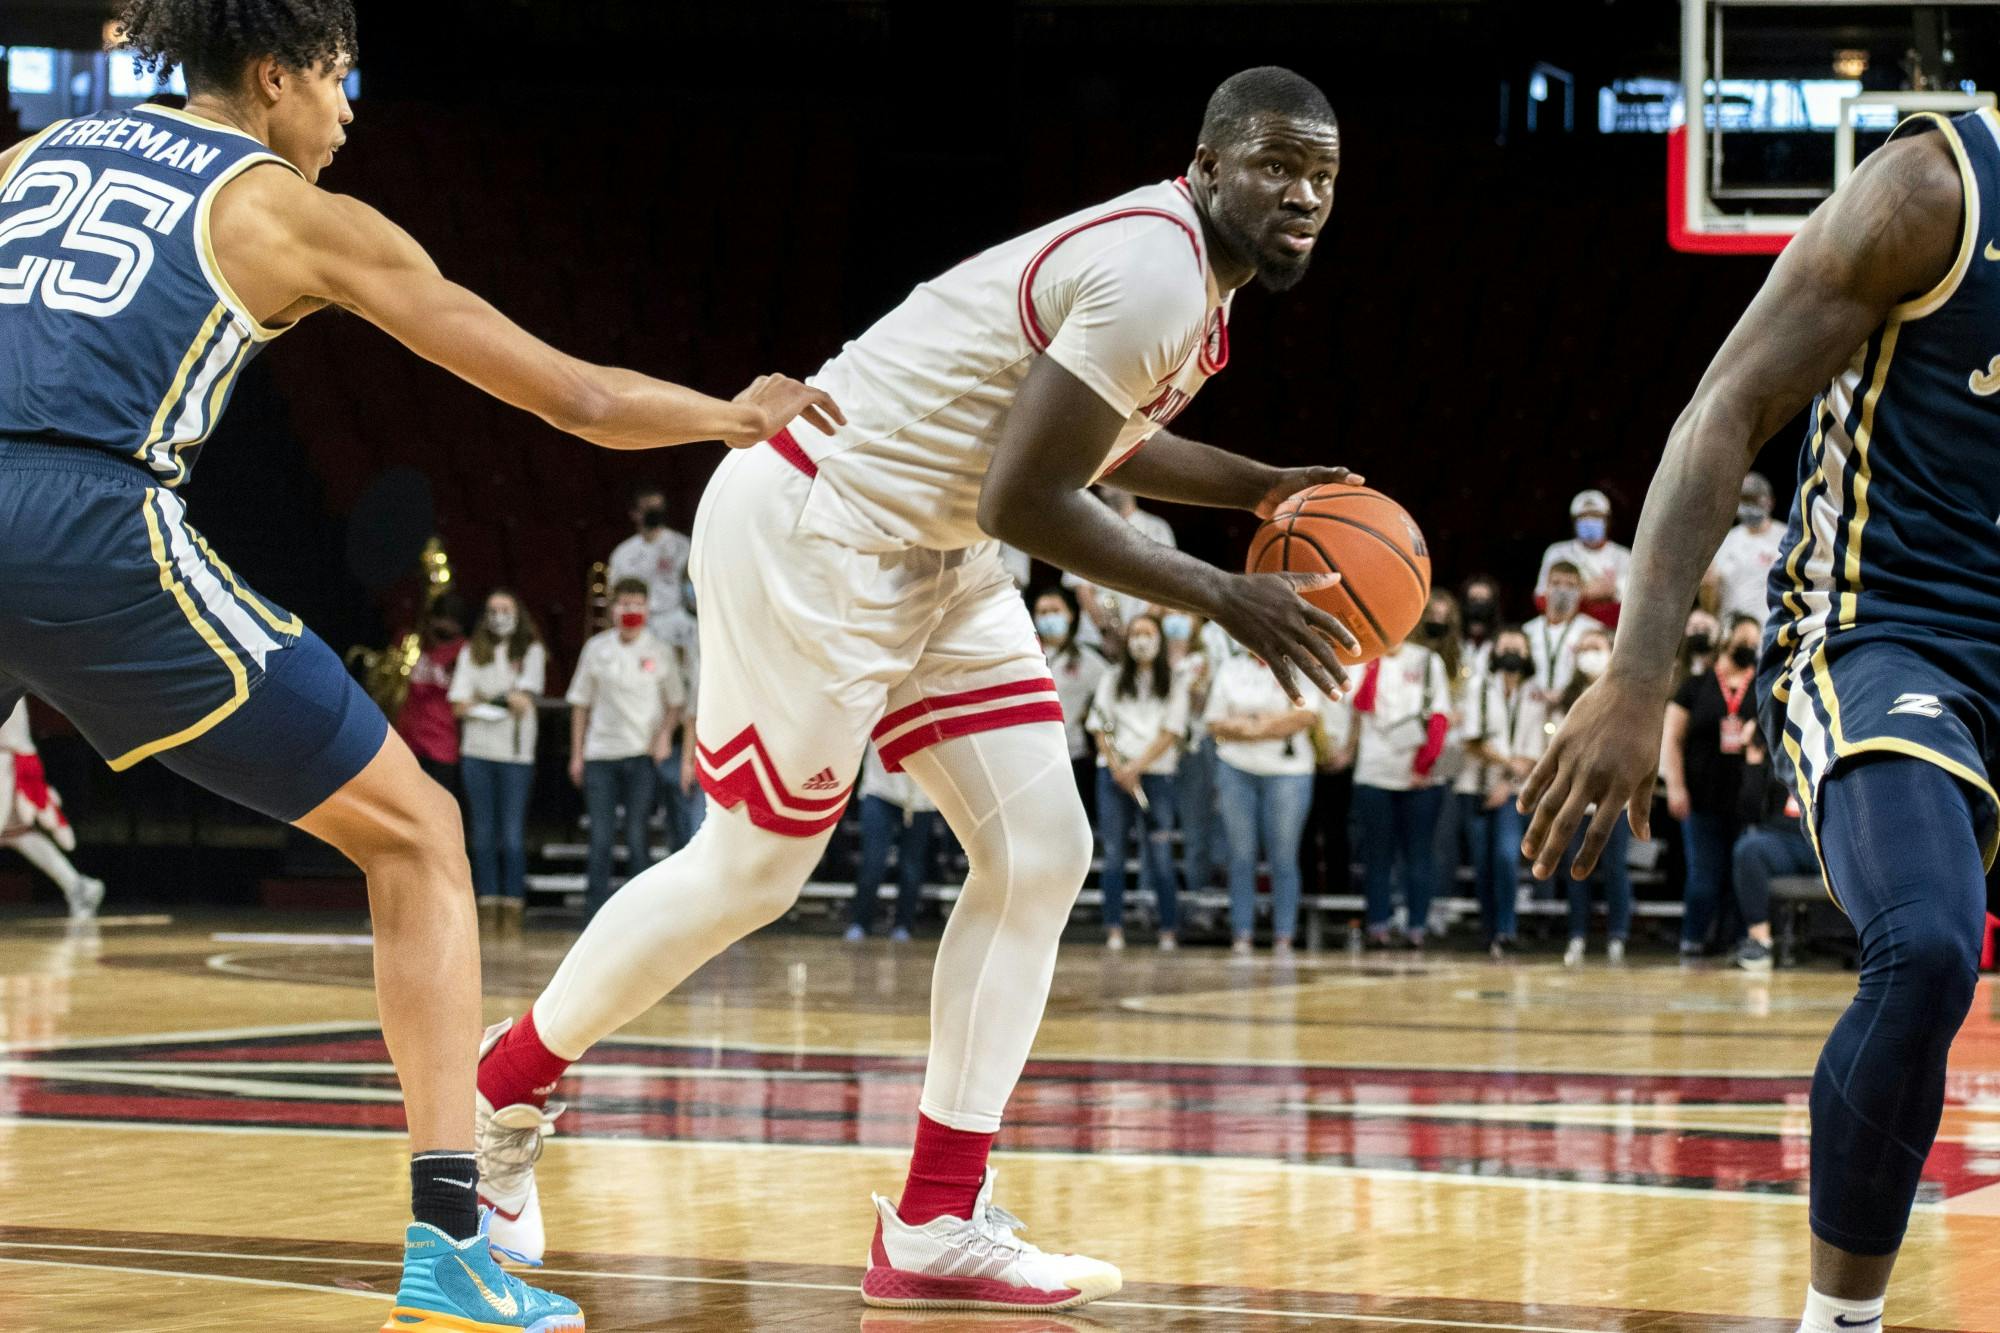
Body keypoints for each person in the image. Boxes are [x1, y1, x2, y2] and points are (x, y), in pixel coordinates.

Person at [0, 1, 840, 1321]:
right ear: (274, 77)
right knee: (418, 834)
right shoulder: (284, 210)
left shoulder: (31, 159)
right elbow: (577, 398)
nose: (351, 111)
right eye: (340, 81)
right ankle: (450, 1240)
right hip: (92, 524)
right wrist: (736, 415)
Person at [471, 65, 1360, 1311]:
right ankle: (497, 1094)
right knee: (751, 872)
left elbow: (1091, 440)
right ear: (1207, 166)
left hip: (934, 550)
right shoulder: (1158, 267)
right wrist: (1218, 593)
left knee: (1042, 848)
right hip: (821, 524)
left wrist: (1260, 486)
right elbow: (1026, 497)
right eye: (1275, 166)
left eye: (1320, 174)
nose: (1302, 194)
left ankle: (939, 1217)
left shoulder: (1190, 278)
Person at [1519, 105, 2000, 1333]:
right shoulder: (1931, 190)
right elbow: (1721, 408)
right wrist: (1635, 679)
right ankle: (1838, 1321)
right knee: (1930, 944)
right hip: (1883, 633)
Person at [566, 578, 684, 919]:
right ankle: (595, 915)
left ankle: (640, 916)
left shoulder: (660, 650)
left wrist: (664, 736)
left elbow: (675, 703)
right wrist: (577, 754)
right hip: (600, 754)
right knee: (601, 838)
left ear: (647, 608)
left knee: (637, 835)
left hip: (641, 756)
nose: (630, 611)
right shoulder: (596, 649)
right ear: (613, 609)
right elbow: (580, 704)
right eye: (624, 604)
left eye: (637, 604)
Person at [1204, 646, 1331, 954]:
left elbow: (1305, 717)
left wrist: (1249, 725)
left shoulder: (1301, 666)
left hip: (1288, 772)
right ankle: (1242, 933)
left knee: (1284, 856)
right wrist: (1267, 724)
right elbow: (1214, 722)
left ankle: (1284, 934)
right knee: (1241, 854)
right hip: (1236, 768)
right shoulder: (1232, 667)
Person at [1663, 613, 1764, 962]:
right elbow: (1671, 740)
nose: (1749, 648)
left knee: (1741, 878)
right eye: (1743, 641)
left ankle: (1736, 944)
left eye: (1755, 642)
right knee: (1704, 877)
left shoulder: (1762, 685)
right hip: (1701, 796)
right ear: (1725, 640)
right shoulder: (1695, 685)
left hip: (1747, 800)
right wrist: (1675, 786)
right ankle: (1692, 940)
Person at [1087, 613, 1190, 949]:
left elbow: (1171, 731)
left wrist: (1138, 767)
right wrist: (1119, 768)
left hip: (1157, 776)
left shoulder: (1174, 681)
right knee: (1114, 852)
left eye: (1148, 634)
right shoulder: (1112, 678)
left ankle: (1168, 928)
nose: (1141, 641)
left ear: (1159, 640)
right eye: (1135, 634)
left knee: (1160, 854)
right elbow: (1100, 726)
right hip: (1113, 776)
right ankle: (1114, 926)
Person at [450, 589, 546, 936]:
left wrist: (484, 699)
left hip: (515, 754)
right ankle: (487, 903)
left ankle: (513, 903)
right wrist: (499, 700)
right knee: (483, 833)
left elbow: (523, 699)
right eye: (493, 610)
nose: (499, 616)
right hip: (478, 752)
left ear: (517, 613)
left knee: (512, 834)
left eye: (506, 609)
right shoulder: (471, 652)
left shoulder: (530, 650)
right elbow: (459, 704)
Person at [1349, 633, 1451, 948]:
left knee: (1418, 853)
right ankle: (1378, 924)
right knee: (1377, 854)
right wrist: (1373, 663)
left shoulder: (1427, 660)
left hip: (1418, 776)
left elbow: (1438, 715)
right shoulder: (1361, 658)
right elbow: (1358, 703)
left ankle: (1416, 926)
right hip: (1375, 770)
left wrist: (1424, 765)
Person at [1546, 625, 1633, 966]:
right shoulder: (1567, 700)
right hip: (1575, 800)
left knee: (1615, 870)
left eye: (1596, 647)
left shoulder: (1625, 695)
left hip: (1614, 799)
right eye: (1584, 649)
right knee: (1575, 868)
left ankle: (1617, 937)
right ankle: (1577, 936)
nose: (1590, 655)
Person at [1460, 626, 1541, 957]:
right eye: (1504, 645)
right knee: (1483, 863)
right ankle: (1488, 929)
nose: (1511, 652)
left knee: (1507, 857)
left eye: (1517, 647)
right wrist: (1509, 763)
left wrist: (1507, 782)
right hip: (1475, 786)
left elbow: (1537, 750)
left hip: (1515, 791)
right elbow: (1472, 739)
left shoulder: (1535, 694)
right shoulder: (1479, 687)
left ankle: (1506, 929)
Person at [0, 700, 106, 920]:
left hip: (5, 758)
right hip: (10, 756)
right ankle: (78, 886)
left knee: (17, 834)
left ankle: (78, 886)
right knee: (17, 834)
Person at [844, 744, 940, 943]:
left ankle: (904, 925)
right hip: (879, 789)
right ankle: (860, 923)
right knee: (873, 863)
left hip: (921, 797)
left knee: (911, 867)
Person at [1729, 726, 1801, 973]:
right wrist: (1754, 760)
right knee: (1749, 848)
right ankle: (1760, 942)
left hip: (1827, 838)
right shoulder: (1779, 743)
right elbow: (1748, 811)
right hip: (1784, 839)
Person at [1033, 585, 1109, 800]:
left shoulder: (1088, 660)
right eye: (1043, 612)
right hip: (1032, 756)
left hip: (1073, 756)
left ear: (1070, 615)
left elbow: (1112, 690)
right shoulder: (1024, 655)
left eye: (1055, 611)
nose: (1049, 617)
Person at [395, 591, 468, 793]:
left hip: (442, 742)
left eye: (450, 620)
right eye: (439, 618)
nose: (443, 625)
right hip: (408, 737)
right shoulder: (412, 646)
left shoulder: (465, 651)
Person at [653, 575, 705, 852]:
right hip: (673, 724)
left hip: (707, 734)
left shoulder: (723, 621)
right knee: (677, 798)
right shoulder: (664, 625)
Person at [1535, 490, 1630, 628]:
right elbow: (1541, 600)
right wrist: (1585, 593)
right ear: (1574, 522)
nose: (1590, 521)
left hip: (1608, 630)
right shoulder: (1557, 552)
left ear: (1607, 521)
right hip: (1565, 627)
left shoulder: (1623, 556)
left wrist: (1609, 592)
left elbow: (1629, 607)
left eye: (1596, 516)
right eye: (1583, 517)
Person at [605, 482, 692, 628]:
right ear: (634, 513)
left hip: (675, 619)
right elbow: (614, 597)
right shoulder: (622, 553)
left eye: (658, 508)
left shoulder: (682, 546)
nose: (654, 513)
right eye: (648, 509)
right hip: (637, 623)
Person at [1704, 472, 1785, 626]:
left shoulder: (1787, 539)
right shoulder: (1724, 542)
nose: (1748, 506)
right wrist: (1708, 588)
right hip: (1730, 633)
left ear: (1770, 501)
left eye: (1754, 499)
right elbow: (1710, 604)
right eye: (1744, 500)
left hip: (1773, 633)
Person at [1522, 561, 1606, 708]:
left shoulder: (1594, 630)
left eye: (1570, 585)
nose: (1562, 589)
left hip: (1574, 708)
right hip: (1532, 708)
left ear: (1581, 590)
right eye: (1556, 583)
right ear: (1546, 588)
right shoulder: (1528, 630)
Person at [1459, 573, 1503, 676]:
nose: (1478, 606)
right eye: (1473, 600)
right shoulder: (1453, 641)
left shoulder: (1500, 642)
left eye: (1484, 600)